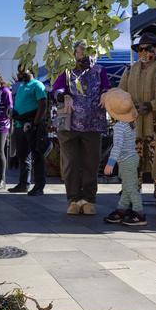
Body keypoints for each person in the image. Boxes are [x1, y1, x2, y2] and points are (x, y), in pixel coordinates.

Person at [52, 41, 111, 215]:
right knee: (70, 162)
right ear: (74, 54)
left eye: (88, 52)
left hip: (93, 125)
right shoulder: (68, 71)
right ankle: (74, 199)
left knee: (91, 163)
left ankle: (88, 199)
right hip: (69, 125)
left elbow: (107, 87)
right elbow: (56, 89)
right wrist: (65, 95)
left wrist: (106, 93)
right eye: (80, 52)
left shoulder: (100, 71)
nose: (84, 56)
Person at [118, 32, 156, 218]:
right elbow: (121, 94)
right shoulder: (130, 70)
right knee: (135, 165)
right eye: (141, 48)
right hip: (135, 125)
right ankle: (134, 201)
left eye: (148, 48)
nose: (144, 51)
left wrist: (151, 105)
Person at [101, 89, 144, 226]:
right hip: (131, 158)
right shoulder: (131, 124)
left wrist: (110, 162)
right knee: (126, 186)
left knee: (131, 188)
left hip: (125, 160)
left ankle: (139, 212)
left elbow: (117, 146)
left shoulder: (119, 126)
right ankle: (122, 209)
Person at [8, 65, 48, 196]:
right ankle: (23, 183)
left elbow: (42, 105)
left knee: (37, 156)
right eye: (18, 70)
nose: (20, 73)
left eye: (23, 70)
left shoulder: (37, 85)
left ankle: (39, 186)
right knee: (23, 156)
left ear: (31, 70)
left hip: (32, 125)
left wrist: (35, 123)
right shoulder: (21, 86)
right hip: (20, 125)